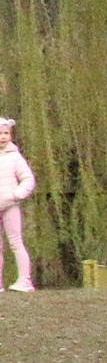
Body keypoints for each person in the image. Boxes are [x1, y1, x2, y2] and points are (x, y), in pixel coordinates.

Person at [0, 117, 36, 291]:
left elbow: (28, 179)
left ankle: (24, 280)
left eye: (6, 133)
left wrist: (16, 195)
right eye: (0, 133)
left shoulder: (15, 157)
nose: (3, 137)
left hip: (10, 205)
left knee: (15, 242)